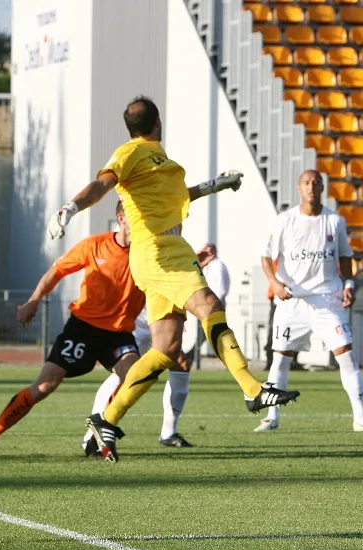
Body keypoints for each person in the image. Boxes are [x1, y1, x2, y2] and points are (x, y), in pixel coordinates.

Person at [47, 95, 299, 459]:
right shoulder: (129, 153)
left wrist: (217, 184)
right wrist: (70, 208)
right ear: (157, 123)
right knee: (209, 304)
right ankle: (252, 388)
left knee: (165, 350)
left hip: (168, 250)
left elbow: (181, 195)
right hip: (158, 251)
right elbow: (102, 184)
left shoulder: (157, 161)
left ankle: (107, 418)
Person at [0, 201, 146, 460]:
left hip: (118, 333)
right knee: (45, 385)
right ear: (121, 218)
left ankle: (97, 432)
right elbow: (57, 271)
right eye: (135, 215)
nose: (142, 220)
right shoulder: (95, 245)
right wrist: (33, 301)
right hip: (83, 328)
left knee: (134, 374)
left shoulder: (147, 252)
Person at [256, 169, 363, 433]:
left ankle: (360, 416)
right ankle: (272, 417)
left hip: (327, 299)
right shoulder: (285, 220)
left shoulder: (335, 221)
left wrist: (349, 284)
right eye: (306, 183)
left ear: (323, 188)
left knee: (346, 356)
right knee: (280, 358)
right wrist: (274, 283)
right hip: (292, 300)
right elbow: (266, 257)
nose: (311, 187)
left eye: (316, 183)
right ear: (298, 188)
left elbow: (346, 258)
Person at [82, 307, 194, 454]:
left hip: (160, 314)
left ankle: (169, 432)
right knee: (125, 373)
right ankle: (91, 437)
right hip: (138, 318)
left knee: (181, 365)